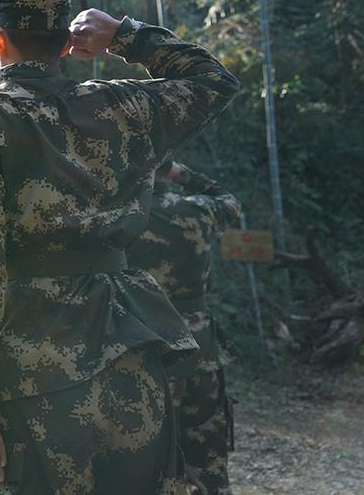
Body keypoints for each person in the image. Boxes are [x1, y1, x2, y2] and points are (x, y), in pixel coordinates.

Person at [0, 0, 240, 495]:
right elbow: (214, 81)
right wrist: (125, 36)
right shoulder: (121, 107)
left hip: (32, 368)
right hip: (130, 353)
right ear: (65, 45)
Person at [128, 161, 242, 495]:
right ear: (167, 170)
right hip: (198, 347)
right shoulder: (200, 211)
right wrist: (184, 174)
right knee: (207, 459)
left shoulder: (120, 218)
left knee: (143, 459)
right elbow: (230, 199)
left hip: (138, 347)